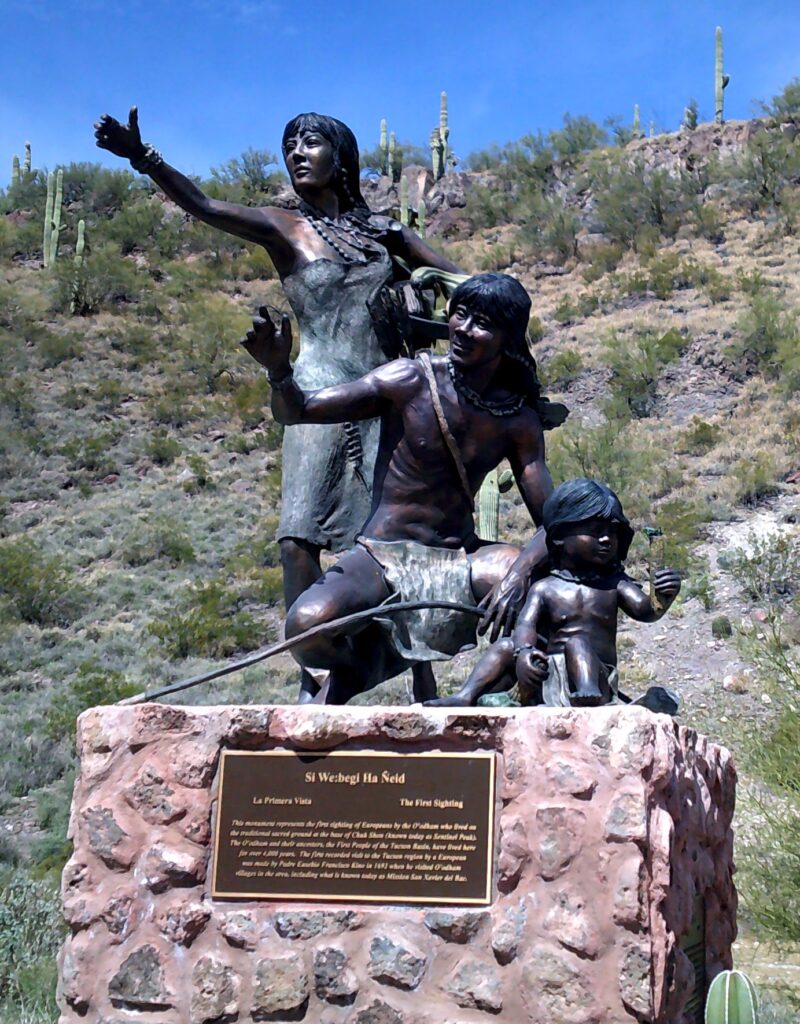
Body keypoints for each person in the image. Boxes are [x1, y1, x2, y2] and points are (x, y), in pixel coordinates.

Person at [94, 107, 461, 702]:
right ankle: (314, 666)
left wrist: (408, 242)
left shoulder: (381, 236)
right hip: (313, 392)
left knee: (395, 540)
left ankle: (417, 666)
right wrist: (145, 158)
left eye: (310, 141)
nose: (296, 151)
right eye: (288, 143)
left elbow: (470, 290)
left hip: (383, 395)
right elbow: (207, 208)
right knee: (298, 536)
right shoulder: (284, 227)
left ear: (340, 155)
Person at [242, 272, 568, 704]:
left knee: (542, 584)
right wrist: (280, 372)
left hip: (458, 556)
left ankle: (494, 698)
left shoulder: (517, 420)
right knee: (305, 627)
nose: (464, 330)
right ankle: (369, 665)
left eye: (482, 323)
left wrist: (520, 574)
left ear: (508, 337)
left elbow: (555, 523)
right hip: (382, 554)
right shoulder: (409, 379)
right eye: (460, 314)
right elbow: (300, 410)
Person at [426, 478, 682, 708]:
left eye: (612, 533)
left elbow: (646, 610)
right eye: (595, 532)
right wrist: (524, 653)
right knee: (505, 646)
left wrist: (663, 595)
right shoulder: (545, 587)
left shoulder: (614, 583)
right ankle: (466, 696)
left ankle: (587, 693)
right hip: (549, 672)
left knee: (577, 642)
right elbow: (526, 625)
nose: (606, 540)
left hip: (596, 675)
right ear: (560, 536)